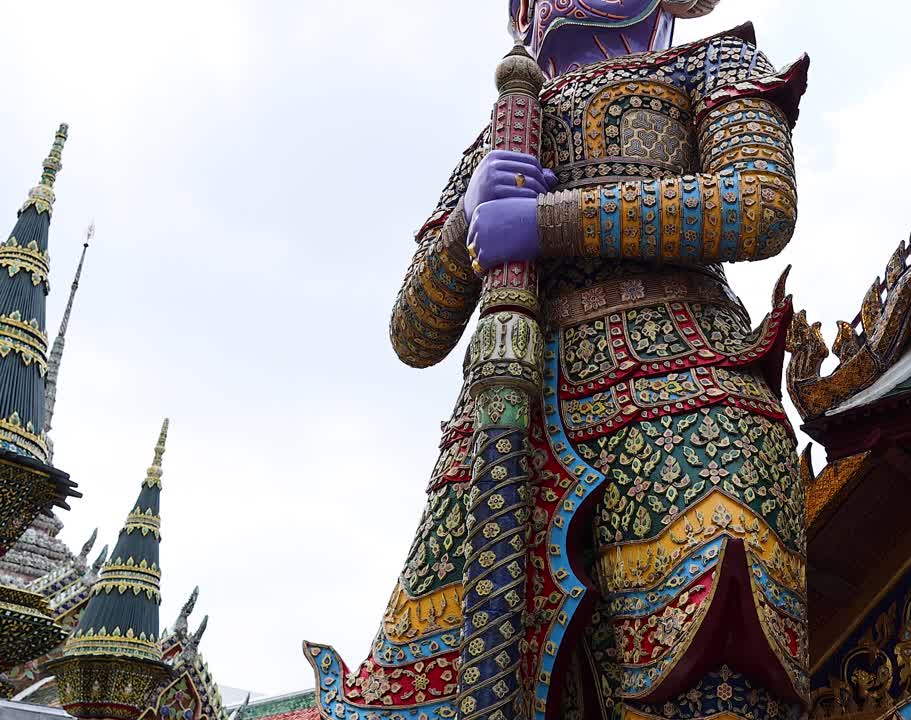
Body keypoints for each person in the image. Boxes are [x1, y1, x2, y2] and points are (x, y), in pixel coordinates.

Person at [306, 2, 810, 718]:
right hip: (505, 424)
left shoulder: (710, 66)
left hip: (686, 407)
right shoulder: (501, 136)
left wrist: (549, 221)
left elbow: (757, 204)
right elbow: (413, 333)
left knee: (704, 684)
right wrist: (465, 226)